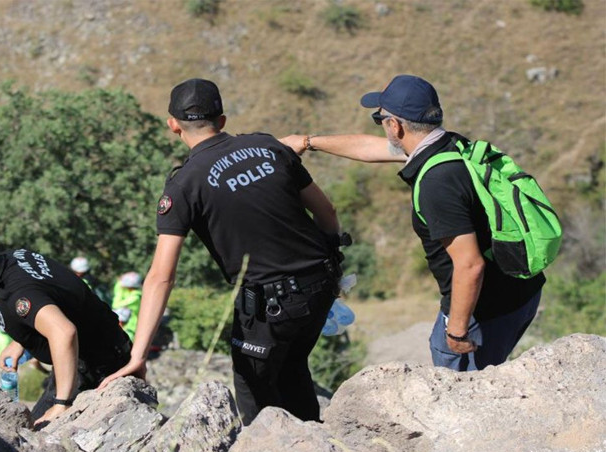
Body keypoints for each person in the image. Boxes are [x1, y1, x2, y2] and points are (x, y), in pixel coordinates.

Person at [100, 78, 345, 425]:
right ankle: (312, 435)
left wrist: (138, 355)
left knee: (254, 388)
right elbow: (327, 212)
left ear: (173, 125)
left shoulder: (183, 185)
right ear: (222, 120)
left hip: (271, 306)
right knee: (292, 365)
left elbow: (161, 276)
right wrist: (332, 264)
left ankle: (273, 445)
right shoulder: (269, 146)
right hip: (320, 285)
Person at [280, 74, 545, 371]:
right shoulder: (452, 146)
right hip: (521, 290)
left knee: (457, 386)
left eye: (380, 119)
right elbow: (370, 148)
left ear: (395, 126)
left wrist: (457, 331)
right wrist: (307, 142)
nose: (381, 127)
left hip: (485, 311)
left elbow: (470, 265)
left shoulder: (436, 182)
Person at [0, 227, 131, 425]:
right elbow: (54, 296)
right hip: (86, 356)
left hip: (97, 367)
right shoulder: (15, 257)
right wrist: (21, 342)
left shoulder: (18, 293)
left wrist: (62, 403)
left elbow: (64, 332)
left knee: (41, 433)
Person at [111, 272, 142, 340]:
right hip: (123, 326)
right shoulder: (128, 292)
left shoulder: (136, 297)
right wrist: (119, 283)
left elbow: (115, 305)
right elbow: (117, 289)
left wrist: (120, 285)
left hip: (130, 328)